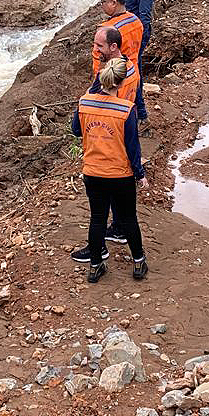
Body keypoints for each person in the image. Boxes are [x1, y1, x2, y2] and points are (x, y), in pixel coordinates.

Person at [71, 56, 148, 283]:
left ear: (102, 78)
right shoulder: (126, 110)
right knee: (128, 219)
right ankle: (138, 262)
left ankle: (95, 266)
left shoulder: (84, 103)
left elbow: (77, 131)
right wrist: (140, 174)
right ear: (122, 82)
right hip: (120, 174)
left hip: (93, 172)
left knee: (97, 219)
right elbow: (133, 147)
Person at [118, 0, 155, 127]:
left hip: (137, 36)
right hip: (127, 34)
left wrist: (136, 42)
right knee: (129, 72)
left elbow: (144, 19)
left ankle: (141, 115)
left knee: (135, 74)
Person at [94, 0, 143, 76]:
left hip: (116, 79)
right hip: (133, 73)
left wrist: (98, 83)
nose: (102, 5)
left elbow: (98, 62)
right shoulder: (136, 21)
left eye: (103, 2)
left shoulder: (105, 31)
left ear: (113, 3)